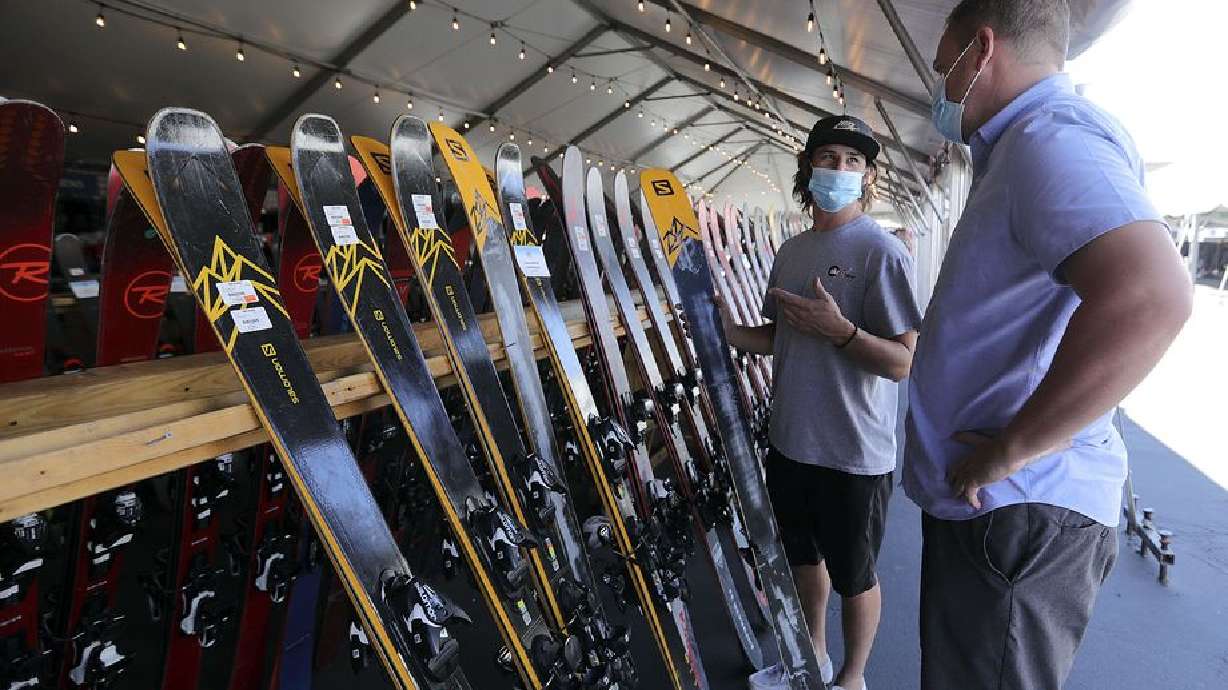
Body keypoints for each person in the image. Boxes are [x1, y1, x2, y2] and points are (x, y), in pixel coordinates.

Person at [906, 1, 1192, 688]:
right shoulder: (1026, 146)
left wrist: (1016, 445)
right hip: (999, 510)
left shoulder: (1048, 139)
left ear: (981, 49)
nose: (943, 87)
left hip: (1016, 511)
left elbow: (1152, 295)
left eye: (946, 67)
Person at [722, 115, 922, 690]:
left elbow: (905, 360)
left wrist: (841, 331)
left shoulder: (881, 253)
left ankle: (853, 678)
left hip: (854, 451)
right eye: (828, 157)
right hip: (791, 440)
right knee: (803, 561)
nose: (838, 170)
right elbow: (775, 336)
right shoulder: (791, 251)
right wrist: (722, 328)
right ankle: (814, 652)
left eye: (852, 162)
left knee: (855, 573)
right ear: (807, 168)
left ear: (868, 178)